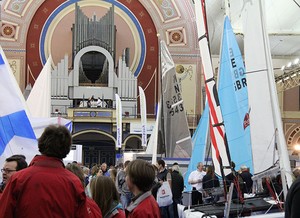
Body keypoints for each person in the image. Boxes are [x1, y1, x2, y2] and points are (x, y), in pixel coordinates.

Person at [0, 125, 92, 217]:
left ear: (41, 144)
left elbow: (4, 213)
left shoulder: (18, 179)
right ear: (66, 150)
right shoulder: (74, 183)